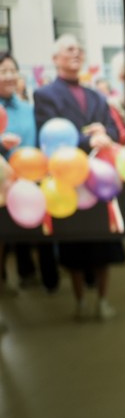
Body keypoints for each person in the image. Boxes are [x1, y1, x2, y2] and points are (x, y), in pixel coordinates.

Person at [33, 34, 125, 320]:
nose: (76, 53)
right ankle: (80, 301)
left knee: (103, 244)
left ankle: (103, 299)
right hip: (67, 183)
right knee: (73, 245)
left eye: (80, 49)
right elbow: (49, 134)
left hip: (99, 182)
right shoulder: (45, 95)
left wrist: (104, 135)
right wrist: (90, 140)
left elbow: (111, 131)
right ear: (56, 58)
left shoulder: (97, 96)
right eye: (69, 49)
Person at [0, 53, 59, 294]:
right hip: (2, 186)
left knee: (37, 232)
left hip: (30, 183)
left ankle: (46, 279)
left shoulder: (28, 108)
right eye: (3, 71)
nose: (9, 75)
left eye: (12, 70)